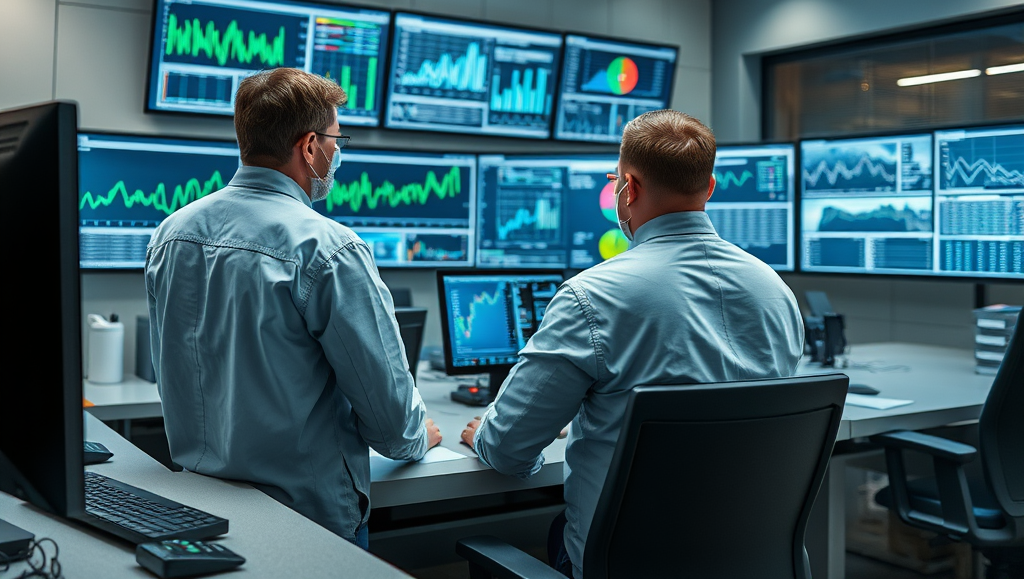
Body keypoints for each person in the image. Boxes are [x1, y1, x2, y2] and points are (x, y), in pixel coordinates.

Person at [460, 109, 804, 578]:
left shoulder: (592, 296)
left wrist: (484, 432)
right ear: (709, 188)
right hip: (753, 564)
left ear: (629, 189)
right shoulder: (776, 292)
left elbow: (507, 449)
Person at [146, 67, 441, 549]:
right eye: (335, 138)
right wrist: (418, 437)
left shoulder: (171, 234)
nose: (337, 151)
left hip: (199, 511)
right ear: (309, 147)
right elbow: (391, 424)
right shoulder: (329, 250)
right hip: (305, 524)